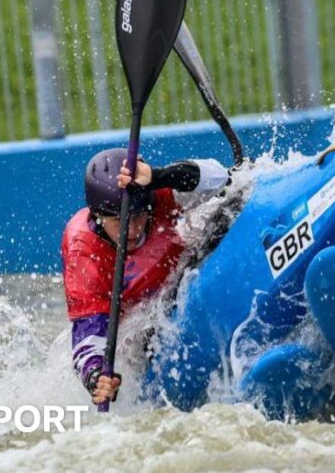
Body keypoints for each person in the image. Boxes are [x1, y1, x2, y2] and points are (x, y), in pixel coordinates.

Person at [62, 148, 229, 405]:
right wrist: (96, 376)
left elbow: (221, 178)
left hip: (184, 282)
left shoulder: (154, 196)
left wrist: (159, 176)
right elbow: (89, 332)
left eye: (138, 216)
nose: (132, 228)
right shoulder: (83, 251)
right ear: (97, 215)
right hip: (141, 326)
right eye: (119, 220)